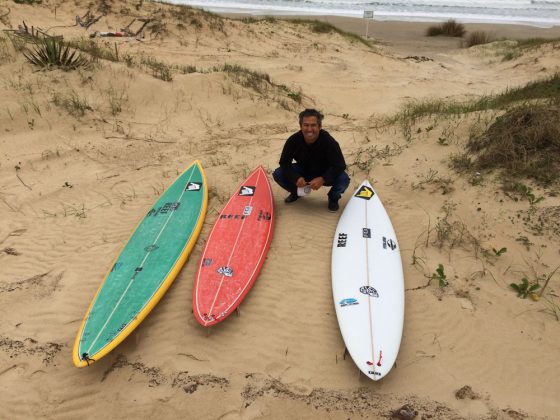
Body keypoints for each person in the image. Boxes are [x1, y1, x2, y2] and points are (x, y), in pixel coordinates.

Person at [273, 109, 350, 212]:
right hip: (303, 171)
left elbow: (340, 165)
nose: (309, 129)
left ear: (319, 126)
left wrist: (323, 179)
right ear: (301, 126)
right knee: (278, 173)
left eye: (313, 125)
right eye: (306, 125)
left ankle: (333, 198)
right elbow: (284, 163)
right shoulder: (293, 140)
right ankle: (297, 193)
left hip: (324, 172)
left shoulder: (329, 142)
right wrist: (296, 178)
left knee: (343, 179)